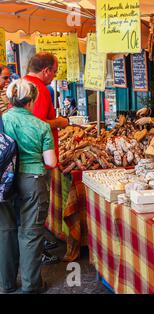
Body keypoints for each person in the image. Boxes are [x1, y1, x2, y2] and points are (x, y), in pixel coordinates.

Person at [0, 79, 57, 293]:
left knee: (5, 232)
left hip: (3, 182)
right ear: (31, 100)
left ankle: (5, 285)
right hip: (33, 181)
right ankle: (30, 286)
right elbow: (51, 162)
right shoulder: (41, 126)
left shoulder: (2, 120)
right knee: (31, 233)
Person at [24, 53, 68, 264]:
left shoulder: (21, 84)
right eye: (54, 71)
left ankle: (35, 246)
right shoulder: (40, 89)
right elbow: (39, 123)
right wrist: (58, 122)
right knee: (37, 209)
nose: (54, 76)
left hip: (25, 160)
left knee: (27, 211)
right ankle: (36, 252)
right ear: (46, 70)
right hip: (38, 161)